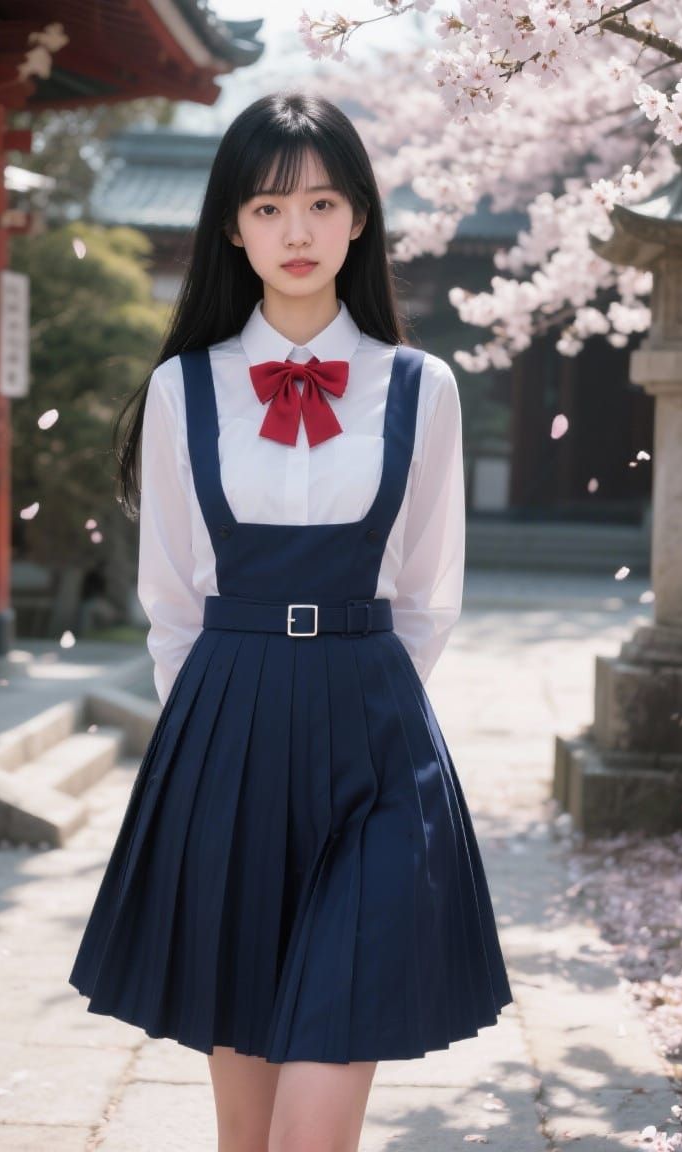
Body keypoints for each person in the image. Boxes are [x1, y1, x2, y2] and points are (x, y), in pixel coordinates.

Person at [69, 90, 513, 1152]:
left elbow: (428, 594)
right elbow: (171, 599)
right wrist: (211, 742)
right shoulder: (183, 390)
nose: (298, 231)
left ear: (360, 216)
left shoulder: (423, 388)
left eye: (321, 203)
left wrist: (364, 701)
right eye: (268, 208)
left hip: (375, 730)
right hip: (227, 729)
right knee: (249, 1130)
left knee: (313, 1125)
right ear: (233, 227)